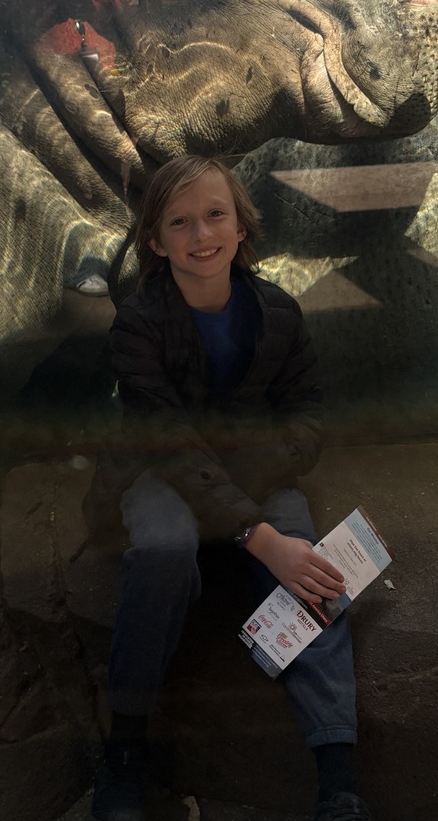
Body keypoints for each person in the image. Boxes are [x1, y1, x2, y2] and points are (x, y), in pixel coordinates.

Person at [86, 155, 373, 821]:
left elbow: (309, 418)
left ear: (242, 226)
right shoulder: (136, 326)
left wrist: (253, 498)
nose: (201, 233)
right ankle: (125, 748)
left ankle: (339, 782)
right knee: (163, 547)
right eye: (179, 222)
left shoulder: (278, 312)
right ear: (155, 242)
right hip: (156, 474)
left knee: (317, 575)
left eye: (216, 215)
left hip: (252, 473)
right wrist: (257, 535)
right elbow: (170, 442)